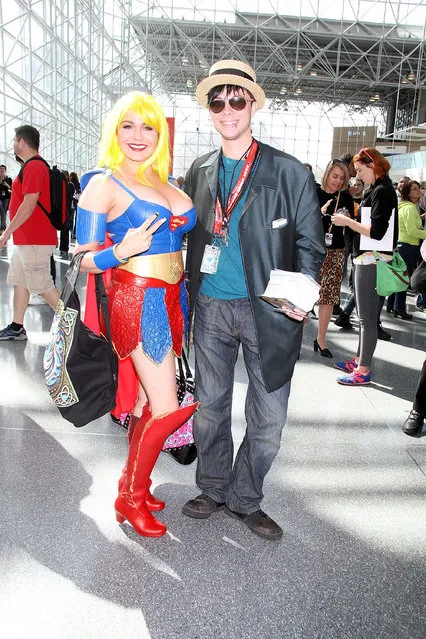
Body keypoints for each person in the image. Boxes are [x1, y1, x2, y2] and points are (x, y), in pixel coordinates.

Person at [181, 60, 326, 540]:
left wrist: (304, 289)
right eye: (217, 101)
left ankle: (246, 497)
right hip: (212, 310)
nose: (227, 110)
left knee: (269, 419)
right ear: (209, 110)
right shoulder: (199, 171)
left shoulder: (287, 172)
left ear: (253, 104)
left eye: (236, 99)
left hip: (270, 311)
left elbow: (311, 244)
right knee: (210, 408)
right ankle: (215, 487)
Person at [74, 91, 198, 538]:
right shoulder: (103, 183)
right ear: (114, 132)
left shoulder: (161, 179)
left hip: (172, 298)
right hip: (137, 299)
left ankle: (133, 484)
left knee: (149, 402)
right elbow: (78, 259)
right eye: (128, 125)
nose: (138, 135)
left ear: (160, 134)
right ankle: (129, 497)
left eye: (148, 127)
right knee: (167, 407)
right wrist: (117, 252)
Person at [332, 147, 398, 385]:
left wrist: (347, 221)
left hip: (371, 258)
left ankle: (363, 369)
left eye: (360, 170)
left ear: (373, 166)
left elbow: (376, 232)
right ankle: (361, 358)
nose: (358, 176)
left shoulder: (382, 191)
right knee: (365, 316)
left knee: (367, 318)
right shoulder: (380, 189)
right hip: (369, 257)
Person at [0, 125, 60, 341]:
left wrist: (6, 233)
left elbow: (29, 204)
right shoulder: (30, 167)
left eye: (15, 141)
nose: (13, 145)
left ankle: (76, 326)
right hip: (28, 240)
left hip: (36, 240)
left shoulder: (34, 167)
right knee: (20, 281)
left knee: (43, 286)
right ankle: (17, 327)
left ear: (22, 142)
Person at [314, 159, 354, 358]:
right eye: (335, 176)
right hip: (312, 250)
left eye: (342, 178)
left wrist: (346, 219)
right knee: (304, 295)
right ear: (327, 173)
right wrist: (318, 214)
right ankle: (293, 340)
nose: (338, 181)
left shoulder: (345, 198)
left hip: (336, 251)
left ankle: (321, 339)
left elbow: (350, 225)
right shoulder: (313, 192)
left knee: (328, 297)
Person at [388, 180, 426, 318]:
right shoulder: (410, 208)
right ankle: (399, 308)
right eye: (415, 189)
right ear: (408, 192)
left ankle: (392, 305)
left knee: (398, 277)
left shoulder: (402, 206)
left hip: (401, 245)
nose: (418, 191)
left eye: (418, 188)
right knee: (403, 279)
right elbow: (412, 231)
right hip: (409, 246)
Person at [0, 164, 12, 232]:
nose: (1, 170)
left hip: (6, 198)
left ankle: (3, 229)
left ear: (5, 171)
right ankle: (3, 229)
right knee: (2, 211)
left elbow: (12, 188)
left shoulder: (8, 179)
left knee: (3, 212)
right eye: (0, 169)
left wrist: (6, 185)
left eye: (3, 169)